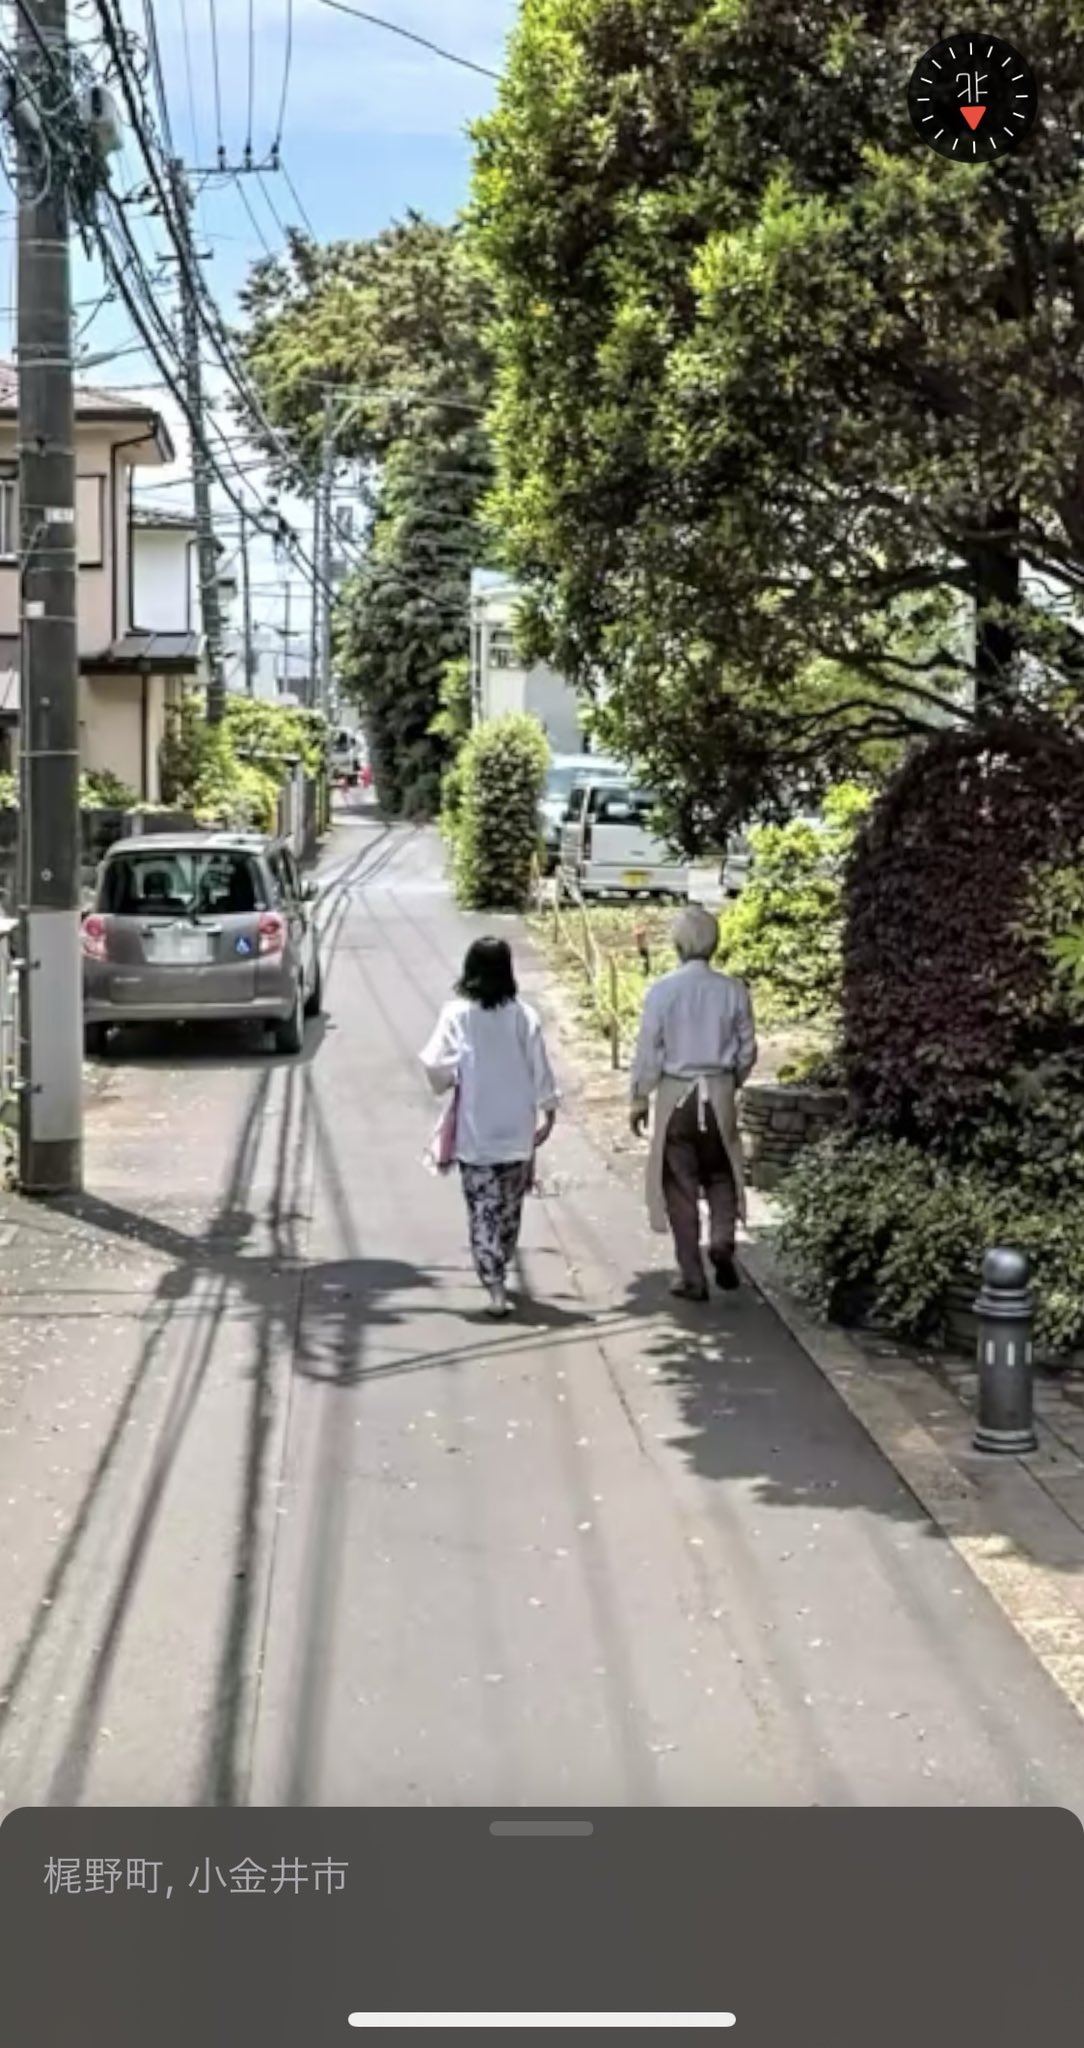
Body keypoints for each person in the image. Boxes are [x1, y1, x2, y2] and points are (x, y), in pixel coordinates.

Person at [420, 938, 559, 1318]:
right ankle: (502, 1264)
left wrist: (449, 1080)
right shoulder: (523, 1016)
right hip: (518, 1132)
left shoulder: (457, 1013)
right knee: (510, 1211)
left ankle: (494, 1285)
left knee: (482, 1210)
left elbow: (434, 1063)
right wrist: (549, 1110)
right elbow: (541, 1069)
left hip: (476, 1131)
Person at [629, 904, 757, 1302]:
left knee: (679, 1187)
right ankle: (721, 1240)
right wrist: (730, 1079)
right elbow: (748, 1049)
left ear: (678, 942)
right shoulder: (734, 990)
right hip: (718, 1094)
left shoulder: (663, 990)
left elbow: (649, 1049)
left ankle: (691, 1276)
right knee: (721, 1174)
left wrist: (638, 1097)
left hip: (676, 1095)